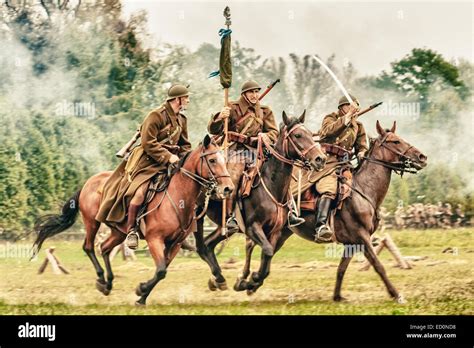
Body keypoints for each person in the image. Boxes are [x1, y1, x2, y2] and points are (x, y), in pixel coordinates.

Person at [96, 84, 192, 249]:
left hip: (171, 163)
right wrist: (168, 157)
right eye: (186, 98)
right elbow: (148, 143)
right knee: (139, 192)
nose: (188, 101)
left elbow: (184, 144)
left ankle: (181, 231)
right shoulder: (156, 116)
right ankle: (132, 230)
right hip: (148, 162)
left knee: (187, 189)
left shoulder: (181, 120)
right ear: (178, 100)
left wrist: (187, 159)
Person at [208, 80, 305, 230]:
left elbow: (274, 132)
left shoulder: (265, 111)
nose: (254, 95)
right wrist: (220, 117)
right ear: (244, 94)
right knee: (235, 173)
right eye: (251, 92)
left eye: (256, 92)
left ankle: (291, 211)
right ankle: (230, 216)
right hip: (236, 149)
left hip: (257, 150)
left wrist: (266, 136)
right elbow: (214, 130)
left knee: (280, 173)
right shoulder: (232, 108)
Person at [311, 94, 368, 242]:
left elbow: (361, 144)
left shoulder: (358, 125)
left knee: (359, 190)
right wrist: (347, 118)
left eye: (353, 107)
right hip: (328, 162)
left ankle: (359, 227)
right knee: (329, 188)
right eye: (349, 106)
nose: (352, 109)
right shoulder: (331, 118)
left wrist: (362, 152)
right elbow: (327, 131)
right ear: (342, 107)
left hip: (346, 163)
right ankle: (321, 226)